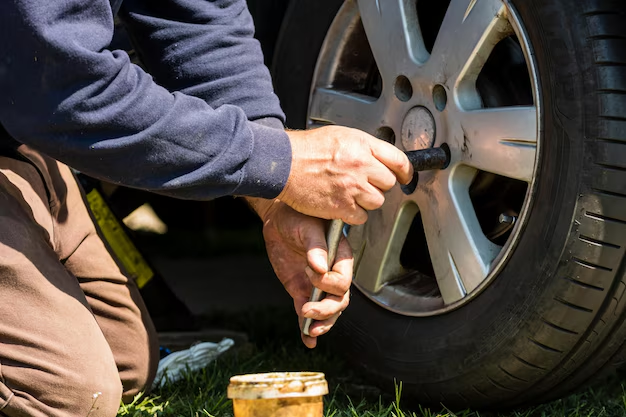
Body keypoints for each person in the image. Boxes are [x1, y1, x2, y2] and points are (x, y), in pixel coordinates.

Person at [0, 0, 413, 415]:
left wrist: (275, 197)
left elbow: (200, 19)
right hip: (36, 100)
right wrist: (287, 161)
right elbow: (62, 86)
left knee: (127, 359)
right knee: (60, 393)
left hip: (18, 139)